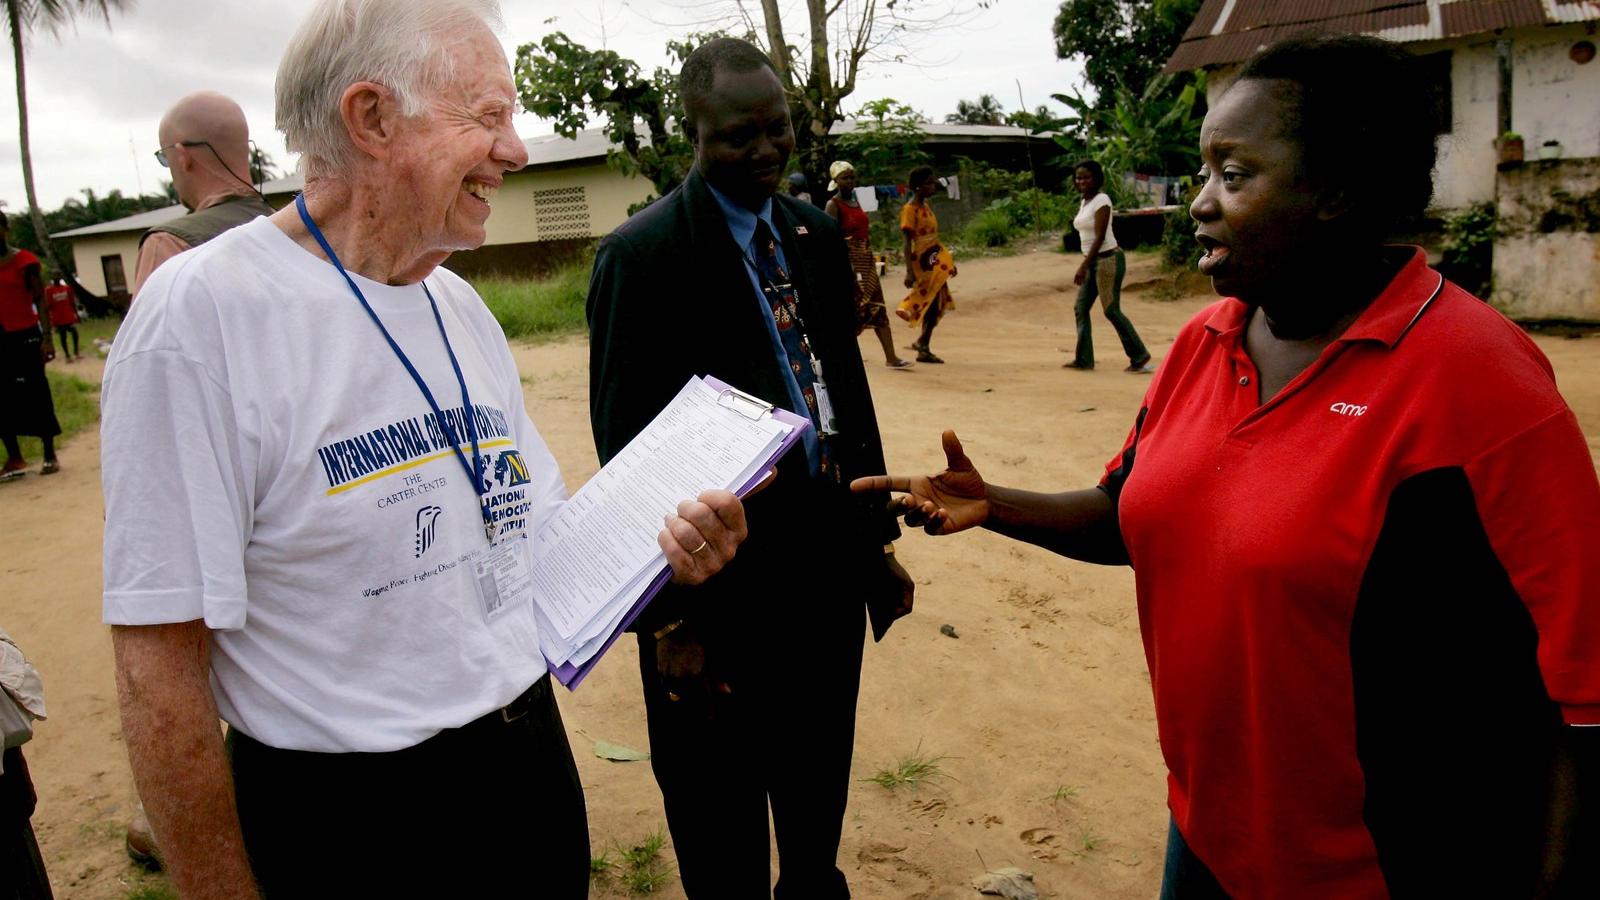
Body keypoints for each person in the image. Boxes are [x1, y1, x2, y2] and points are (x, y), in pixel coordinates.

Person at [855, 34, 1600, 900]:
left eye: (1233, 175)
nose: (1198, 204)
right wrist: (998, 504)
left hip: (1377, 873)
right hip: (1206, 836)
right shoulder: (1203, 345)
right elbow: (1134, 512)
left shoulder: (1480, 385)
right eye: (1201, 171)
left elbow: (1582, 698)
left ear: (1339, 192)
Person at [101, 2, 751, 897]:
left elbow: (533, 540)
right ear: (370, 120)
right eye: (487, 117)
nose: (516, 150)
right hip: (351, 820)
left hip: (526, 771)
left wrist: (661, 554)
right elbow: (159, 657)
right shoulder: (199, 317)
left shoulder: (459, 307)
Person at [587, 37, 914, 900]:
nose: (766, 151)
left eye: (779, 131)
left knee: (815, 808)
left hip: (823, 583)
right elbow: (626, 454)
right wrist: (669, 623)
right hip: (719, 603)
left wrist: (872, 538)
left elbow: (839, 389)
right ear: (690, 134)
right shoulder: (642, 257)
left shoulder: (807, 232)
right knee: (722, 830)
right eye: (739, 136)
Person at [132, 91, 277, 298]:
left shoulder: (169, 243)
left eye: (165, 157)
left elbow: (151, 330)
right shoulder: (298, 230)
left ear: (182, 156)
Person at [1064, 160, 1153, 373]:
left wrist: (1083, 265)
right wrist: (1087, 263)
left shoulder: (1102, 200)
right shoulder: (1085, 201)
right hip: (1093, 261)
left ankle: (1139, 356)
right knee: (1081, 308)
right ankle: (1084, 359)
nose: (1082, 181)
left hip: (1108, 261)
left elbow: (1100, 236)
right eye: (1078, 178)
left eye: (1086, 177)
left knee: (1111, 309)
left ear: (1096, 178)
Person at [824, 160, 912, 370]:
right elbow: (831, 238)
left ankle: (891, 357)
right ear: (835, 181)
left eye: (852, 177)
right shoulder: (833, 206)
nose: (850, 182)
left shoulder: (856, 202)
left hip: (867, 261)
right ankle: (842, 360)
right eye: (845, 178)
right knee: (853, 311)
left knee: (878, 307)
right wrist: (846, 266)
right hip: (849, 263)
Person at [0, 213, 59, 480]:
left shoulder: (25, 262)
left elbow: (41, 302)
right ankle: (15, 457)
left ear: (6, 230)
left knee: (37, 393)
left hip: (26, 336)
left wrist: (46, 338)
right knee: (2, 399)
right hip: (1, 340)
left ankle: (49, 453)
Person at [896, 165, 955, 363]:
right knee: (930, 301)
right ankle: (923, 345)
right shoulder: (909, 210)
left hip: (934, 259)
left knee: (937, 302)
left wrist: (946, 262)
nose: (933, 186)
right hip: (922, 262)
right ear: (918, 187)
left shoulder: (926, 207)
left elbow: (933, 238)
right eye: (929, 183)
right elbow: (906, 242)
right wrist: (909, 271)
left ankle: (923, 341)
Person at [44, 277, 78, 362]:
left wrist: (76, 314)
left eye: (58, 276)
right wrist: (50, 319)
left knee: (74, 332)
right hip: (58, 318)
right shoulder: (49, 290)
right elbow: (48, 305)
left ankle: (76, 351)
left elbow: (72, 302)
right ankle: (67, 355)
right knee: (63, 336)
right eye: (54, 276)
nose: (56, 278)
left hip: (68, 316)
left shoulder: (66, 288)